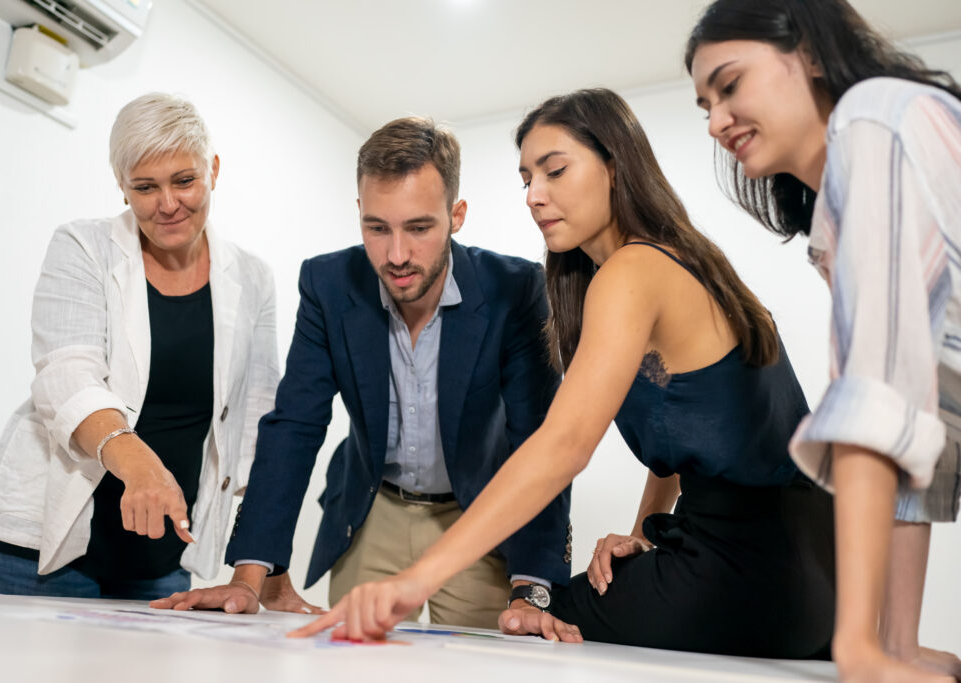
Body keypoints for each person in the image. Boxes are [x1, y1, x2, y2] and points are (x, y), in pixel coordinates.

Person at [289, 88, 836, 656]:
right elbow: (690, 423)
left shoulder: (633, 270)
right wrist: (644, 532)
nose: (534, 196)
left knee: (532, 624)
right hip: (809, 568)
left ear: (615, 167)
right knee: (542, 615)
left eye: (555, 171)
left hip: (750, 572)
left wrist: (415, 581)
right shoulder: (679, 260)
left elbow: (562, 446)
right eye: (527, 178)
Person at [151, 117, 571, 626]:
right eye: (377, 228)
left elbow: (539, 440)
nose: (397, 256)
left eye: (419, 228)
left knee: (483, 655)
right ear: (359, 214)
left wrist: (532, 588)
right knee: (350, 657)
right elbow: (295, 425)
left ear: (456, 215)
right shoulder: (328, 284)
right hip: (372, 510)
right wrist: (247, 576)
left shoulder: (516, 289)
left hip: (479, 512)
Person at [686, 1, 961, 680]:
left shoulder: (872, 120)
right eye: (705, 106)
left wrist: (857, 644)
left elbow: (877, 397)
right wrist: (895, 645)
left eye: (730, 85)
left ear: (808, 53)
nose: (716, 122)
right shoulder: (832, 220)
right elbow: (916, 421)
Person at [0, 93, 279, 599]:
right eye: (145, 187)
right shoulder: (83, 247)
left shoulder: (253, 278)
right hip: (40, 553)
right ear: (122, 186)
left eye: (184, 180)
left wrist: (266, 566)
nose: (168, 204)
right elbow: (66, 376)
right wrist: (138, 464)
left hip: (161, 561)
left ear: (214, 170)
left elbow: (257, 427)